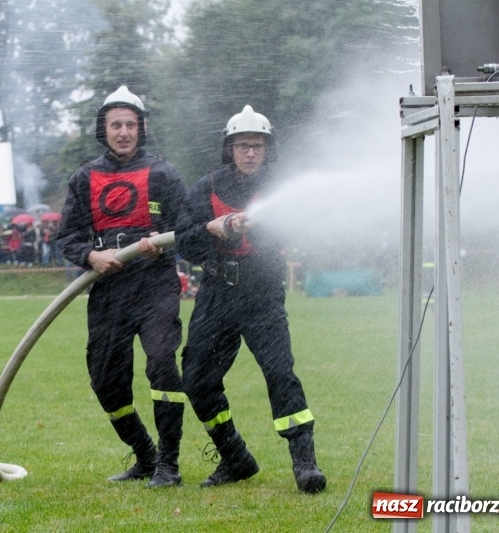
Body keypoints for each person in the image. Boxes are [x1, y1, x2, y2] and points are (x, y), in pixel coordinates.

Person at [174, 105, 326, 493]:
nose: (250, 153)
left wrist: (259, 229)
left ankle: (305, 463)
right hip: (216, 295)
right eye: (242, 145)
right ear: (230, 149)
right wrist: (213, 230)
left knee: (280, 374)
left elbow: (298, 226)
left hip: (262, 294)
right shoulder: (207, 187)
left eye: (257, 145)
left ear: (266, 148)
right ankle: (235, 457)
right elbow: (185, 242)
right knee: (196, 380)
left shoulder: (280, 186)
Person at [56, 85, 187, 488]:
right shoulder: (85, 177)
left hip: (154, 284)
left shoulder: (163, 173)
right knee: (105, 380)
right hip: (108, 288)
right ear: (104, 129)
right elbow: (67, 236)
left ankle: (169, 463)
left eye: (131, 124)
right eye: (116, 124)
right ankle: (144, 455)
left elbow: (186, 228)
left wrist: (160, 247)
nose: (124, 132)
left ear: (141, 128)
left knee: (162, 363)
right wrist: (91, 257)